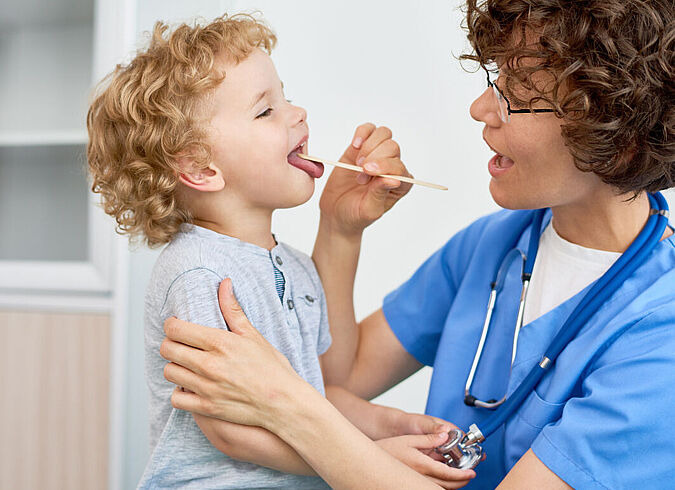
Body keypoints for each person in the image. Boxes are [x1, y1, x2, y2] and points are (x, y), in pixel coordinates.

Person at [158, 0, 675, 488]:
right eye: (496, 79)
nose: (480, 108)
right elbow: (339, 374)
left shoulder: (662, 334)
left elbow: (302, 396)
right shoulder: (494, 246)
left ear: (614, 127)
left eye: (516, 93)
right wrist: (340, 230)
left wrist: (283, 403)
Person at [87, 13, 475, 489]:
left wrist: (391, 424)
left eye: (286, 97)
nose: (298, 113)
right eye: (265, 110)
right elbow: (230, 431)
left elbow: (326, 385)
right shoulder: (198, 272)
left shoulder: (291, 265)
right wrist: (373, 455)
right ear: (200, 167)